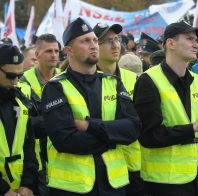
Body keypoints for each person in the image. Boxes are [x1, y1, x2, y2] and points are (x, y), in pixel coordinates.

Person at [41, 17, 141, 196]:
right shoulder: (56, 87)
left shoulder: (113, 83)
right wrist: (112, 139)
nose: (93, 45)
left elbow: (133, 129)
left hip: (113, 185)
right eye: (85, 41)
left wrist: (90, 126)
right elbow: (65, 140)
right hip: (72, 188)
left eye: (95, 40)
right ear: (69, 50)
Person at [133, 20, 198, 196]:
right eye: (189, 39)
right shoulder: (148, 80)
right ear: (170, 43)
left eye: (196, 40)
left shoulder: (196, 80)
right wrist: (193, 127)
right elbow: (148, 136)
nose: (196, 44)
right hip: (164, 182)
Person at [93, 23, 144, 196]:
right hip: (105, 169)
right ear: (94, 46)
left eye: (117, 39)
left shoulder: (135, 79)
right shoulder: (88, 82)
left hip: (136, 167)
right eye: (107, 41)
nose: (115, 45)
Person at [20, 33, 60, 196]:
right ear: (37, 55)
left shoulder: (66, 78)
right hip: (36, 158)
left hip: (61, 153)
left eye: (57, 51)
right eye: (49, 51)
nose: (54, 55)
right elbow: (24, 122)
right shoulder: (23, 81)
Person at [0, 43, 37, 196]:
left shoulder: (20, 101)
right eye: (10, 76)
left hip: (18, 189)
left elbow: (28, 144)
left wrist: (28, 184)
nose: (15, 81)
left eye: (19, 76)